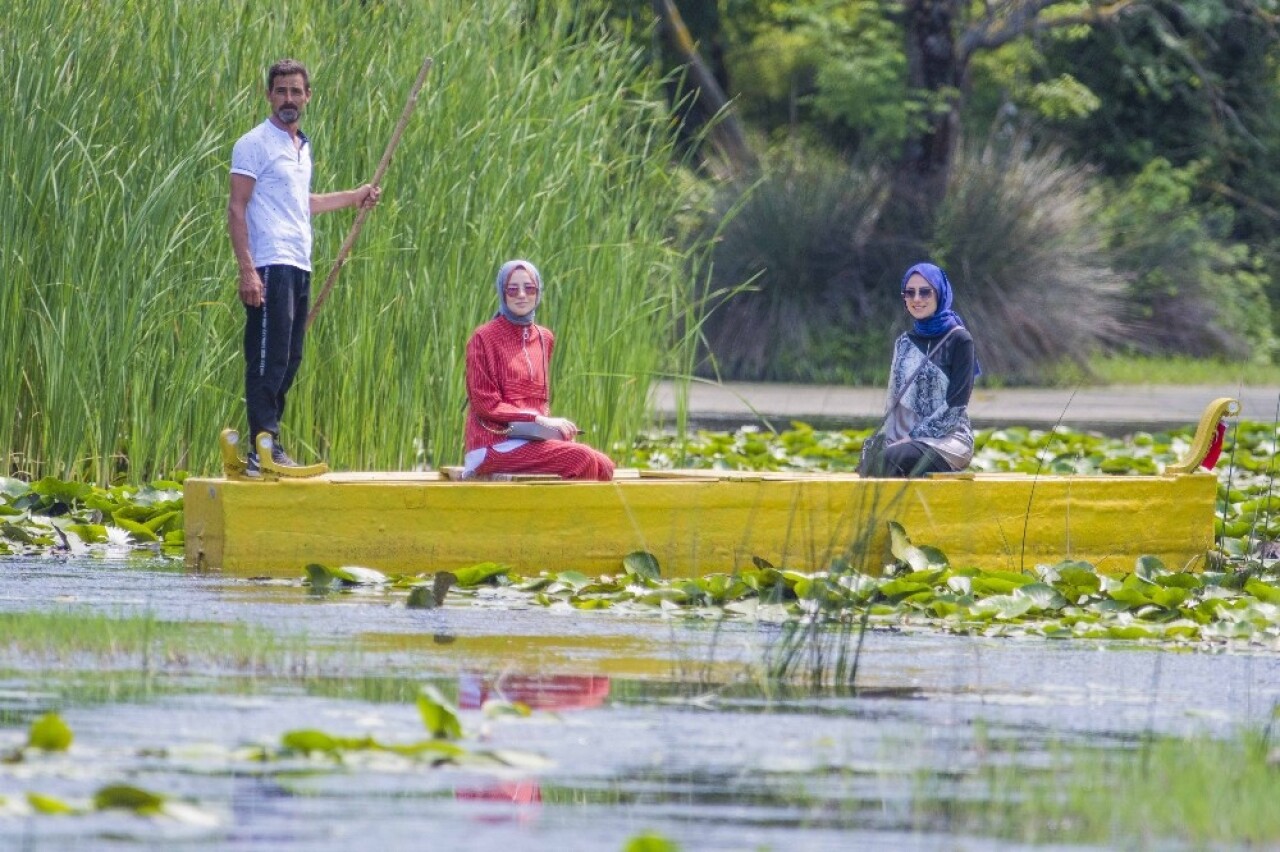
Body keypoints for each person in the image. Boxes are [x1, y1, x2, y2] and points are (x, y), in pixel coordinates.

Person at [227, 58, 380, 477]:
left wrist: (354, 196)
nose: (288, 99)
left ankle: (268, 442)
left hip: (299, 262)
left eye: (296, 91)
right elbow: (237, 208)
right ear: (269, 95)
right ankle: (263, 445)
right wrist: (247, 271)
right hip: (269, 263)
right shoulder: (254, 143)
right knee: (267, 356)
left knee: (290, 357)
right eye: (281, 91)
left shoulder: (302, 147)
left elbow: (302, 203)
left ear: (308, 97)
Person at [462, 260, 615, 481]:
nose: (522, 295)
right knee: (580, 458)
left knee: (604, 466)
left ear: (538, 291)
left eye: (529, 288)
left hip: (531, 441)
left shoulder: (544, 338)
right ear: (502, 292)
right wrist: (538, 420)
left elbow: (538, 403)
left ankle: (568, 514)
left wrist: (553, 430)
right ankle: (571, 517)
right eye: (513, 289)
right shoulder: (483, 338)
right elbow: (486, 405)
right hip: (494, 444)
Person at [861, 261, 979, 478]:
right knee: (871, 465)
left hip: (948, 442)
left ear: (940, 293)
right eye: (910, 292)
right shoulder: (903, 343)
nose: (916, 299)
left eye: (925, 292)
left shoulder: (959, 339)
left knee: (890, 460)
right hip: (906, 441)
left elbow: (956, 404)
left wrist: (915, 436)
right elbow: (894, 401)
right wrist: (890, 440)